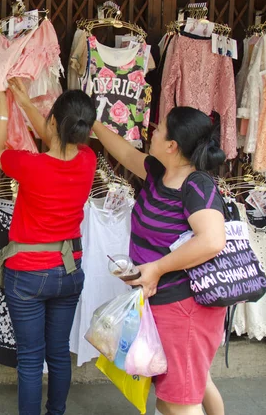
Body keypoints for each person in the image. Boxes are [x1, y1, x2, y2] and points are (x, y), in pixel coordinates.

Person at [92, 107, 228, 415]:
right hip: (164, 305)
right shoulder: (159, 171)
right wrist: (93, 122)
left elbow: (212, 240)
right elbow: (126, 154)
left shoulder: (196, 185)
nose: (152, 129)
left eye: (159, 128)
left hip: (184, 307)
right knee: (196, 382)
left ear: (173, 146)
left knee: (176, 401)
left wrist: (156, 268)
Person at [0, 78, 97, 415]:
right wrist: (26, 103)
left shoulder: (29, 165)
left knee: (31, 360)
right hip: (68, 271)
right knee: (58, 353)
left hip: (28, 276)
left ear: (54, 122)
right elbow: (56, 137)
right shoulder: (87, 159)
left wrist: (4, 113)